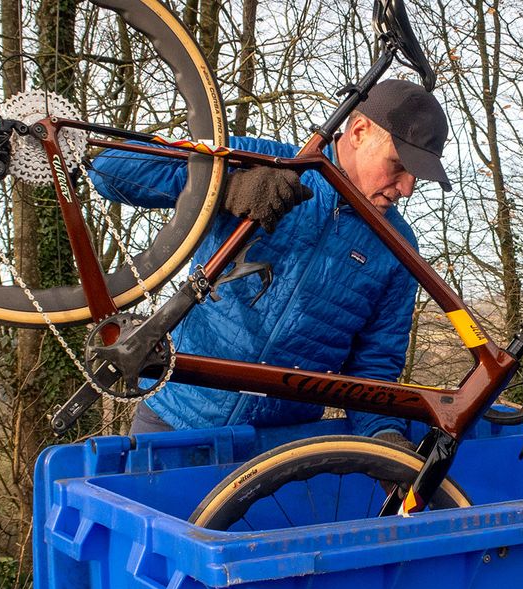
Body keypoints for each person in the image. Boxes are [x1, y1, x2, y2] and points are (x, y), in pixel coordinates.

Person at [87, 79, 451, 446]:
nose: (407, 188)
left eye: (416, 176)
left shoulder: (398, 245)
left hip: (279, 447)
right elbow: (110, 168)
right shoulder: (264, 163)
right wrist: (223, 189)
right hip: (174, 417)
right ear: (358, 131)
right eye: (398, 166)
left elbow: (374, 365)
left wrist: (383, 435)